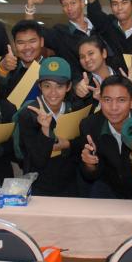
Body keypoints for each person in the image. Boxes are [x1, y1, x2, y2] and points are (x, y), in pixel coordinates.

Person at [17, 57, 85, 196]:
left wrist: (68, 144)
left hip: (70, 184)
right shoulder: (28, 114)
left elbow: (83, 144)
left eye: (59, 86)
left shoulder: (76, 109)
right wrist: (45, 129)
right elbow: (37, 160)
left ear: (68, 87)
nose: (53, 92)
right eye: (47, 86)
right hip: (38, 186)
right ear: (39, 86)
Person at [80, 75, 132, 199]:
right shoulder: (90, 125)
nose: (113, 107)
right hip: (109, 191)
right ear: (100, 100)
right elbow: (91, 176)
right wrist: (89, 165)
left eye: (121, 100)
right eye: (107, 100)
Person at [0, 20, 45, 99]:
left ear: (42, 42)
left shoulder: (50, 68)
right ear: (14, 45)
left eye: (32, 41)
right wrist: (3, 70)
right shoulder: (9, 69)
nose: (27, 47)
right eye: (21, 43)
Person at [74, 35, 116, 105]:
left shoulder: (124, 75)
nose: (87, 59)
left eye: (90, 53)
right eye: (82, 57)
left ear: (104, 53)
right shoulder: (83, 85)